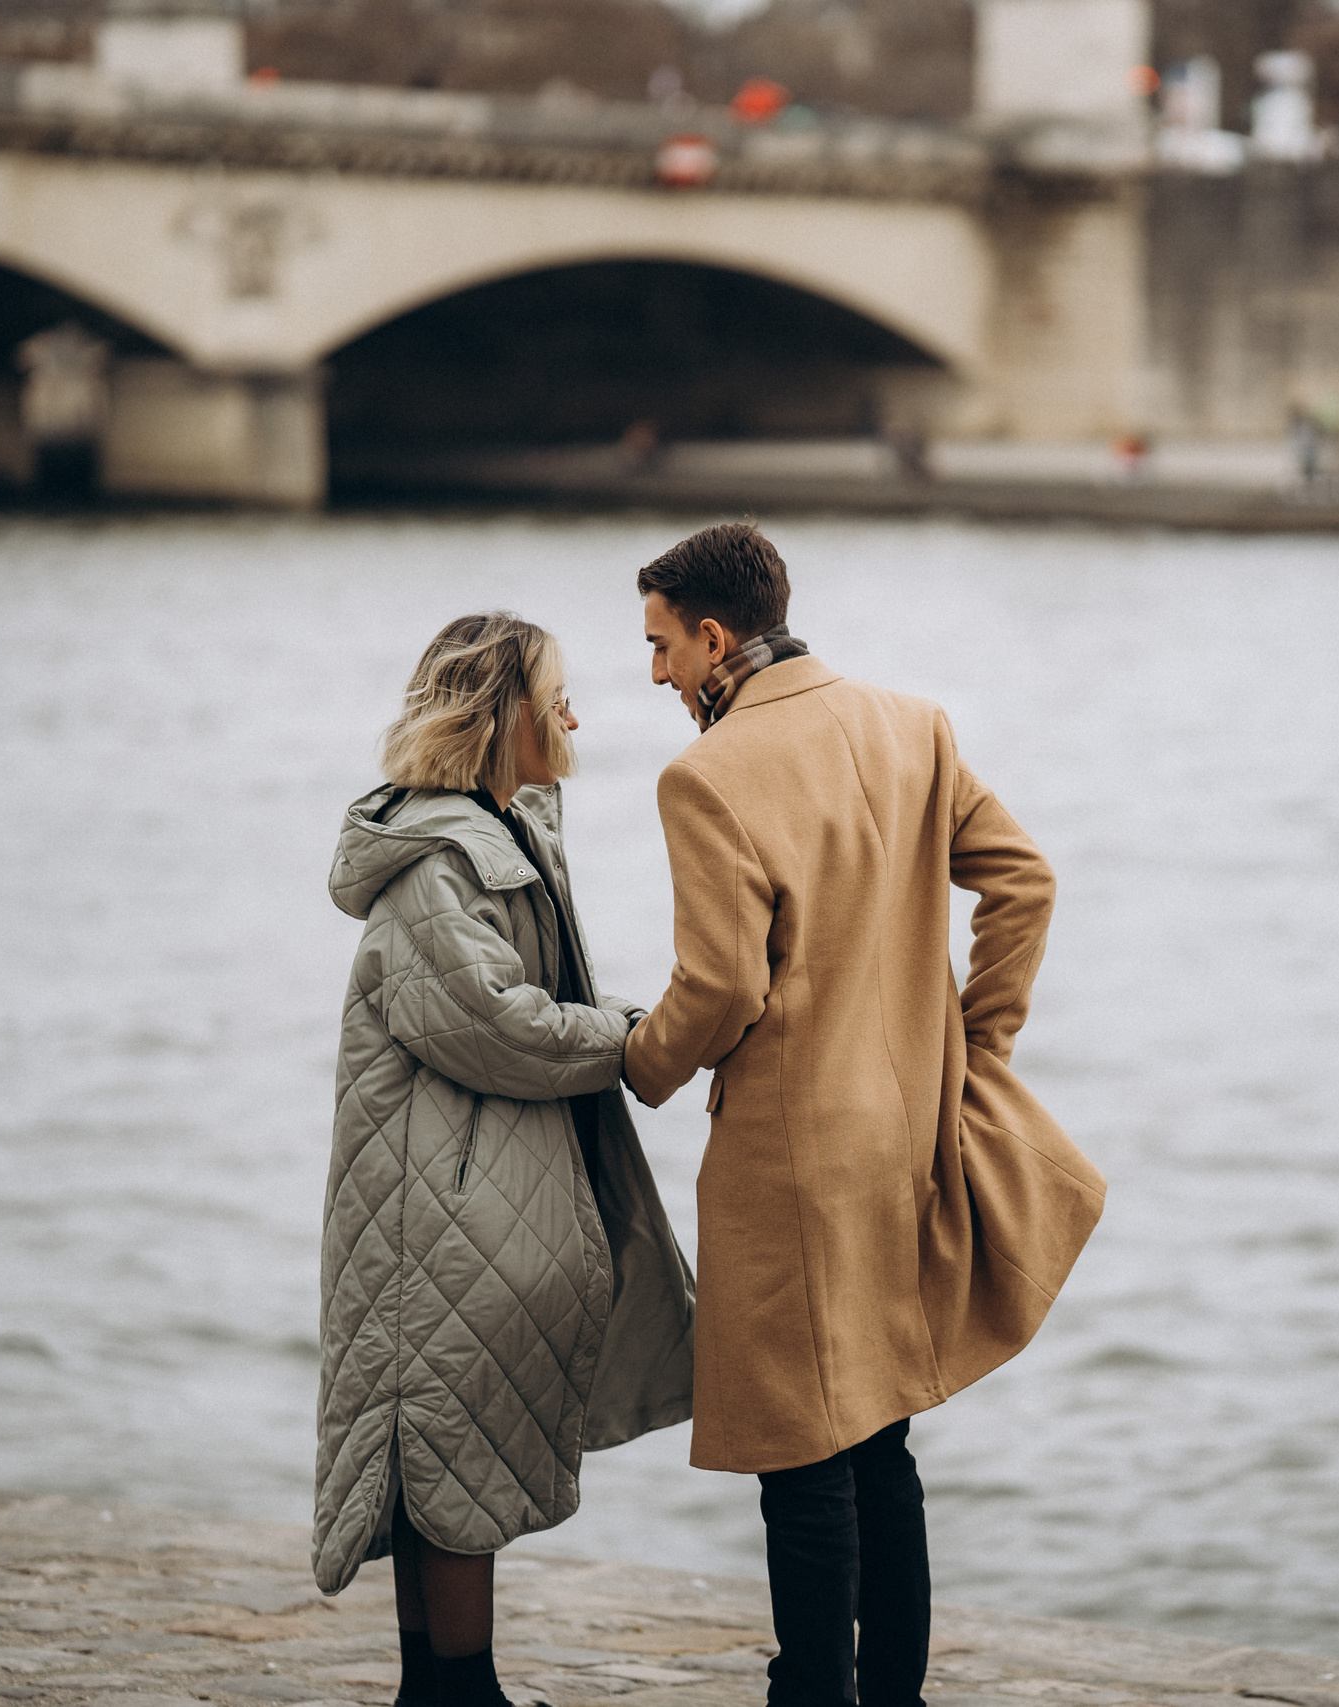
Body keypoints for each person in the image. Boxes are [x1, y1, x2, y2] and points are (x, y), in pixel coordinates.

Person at [622, 523, 1105, 1707]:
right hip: (906, 1140)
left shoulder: (707, 776)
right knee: (879, 1438)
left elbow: (720, 988)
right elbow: (1024, 883)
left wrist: (640, 1062)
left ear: (715, 638)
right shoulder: (910, 725)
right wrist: (975, 1046)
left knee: (800, 1460)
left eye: (661, 645)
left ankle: (813, 1696)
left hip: (788, 1159)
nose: (656, 673)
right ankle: (893, 1693)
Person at [312, 612, 695, 1707]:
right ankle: (461, 1691)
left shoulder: (494, 832)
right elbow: (493, 1022)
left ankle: (437, 1691)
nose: (576, 716)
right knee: (447, 1449)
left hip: (457, 1191)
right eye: (558, 696)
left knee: (444, 1445)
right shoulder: (438, 862)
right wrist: (630, 1037)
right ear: (504, 715)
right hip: (434, 1210)